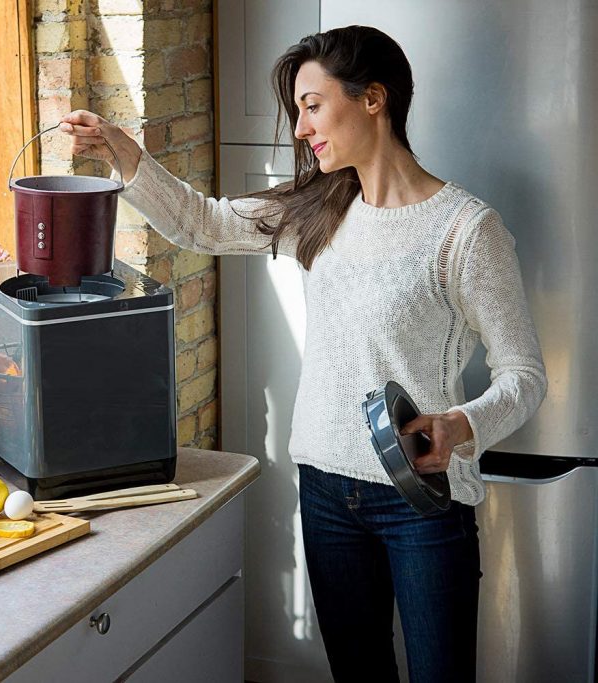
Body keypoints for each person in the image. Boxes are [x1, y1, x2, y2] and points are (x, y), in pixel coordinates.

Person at [58, 25, 547, 683]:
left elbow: (524, 376)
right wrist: (124, 153)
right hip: (324, 489)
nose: (299, 128)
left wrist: (460, 425)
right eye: (297, 110)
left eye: (312, 105)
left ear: (373, 99)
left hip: (422, 503)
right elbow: (198, 222)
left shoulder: (465, 231)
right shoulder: (318, 208)